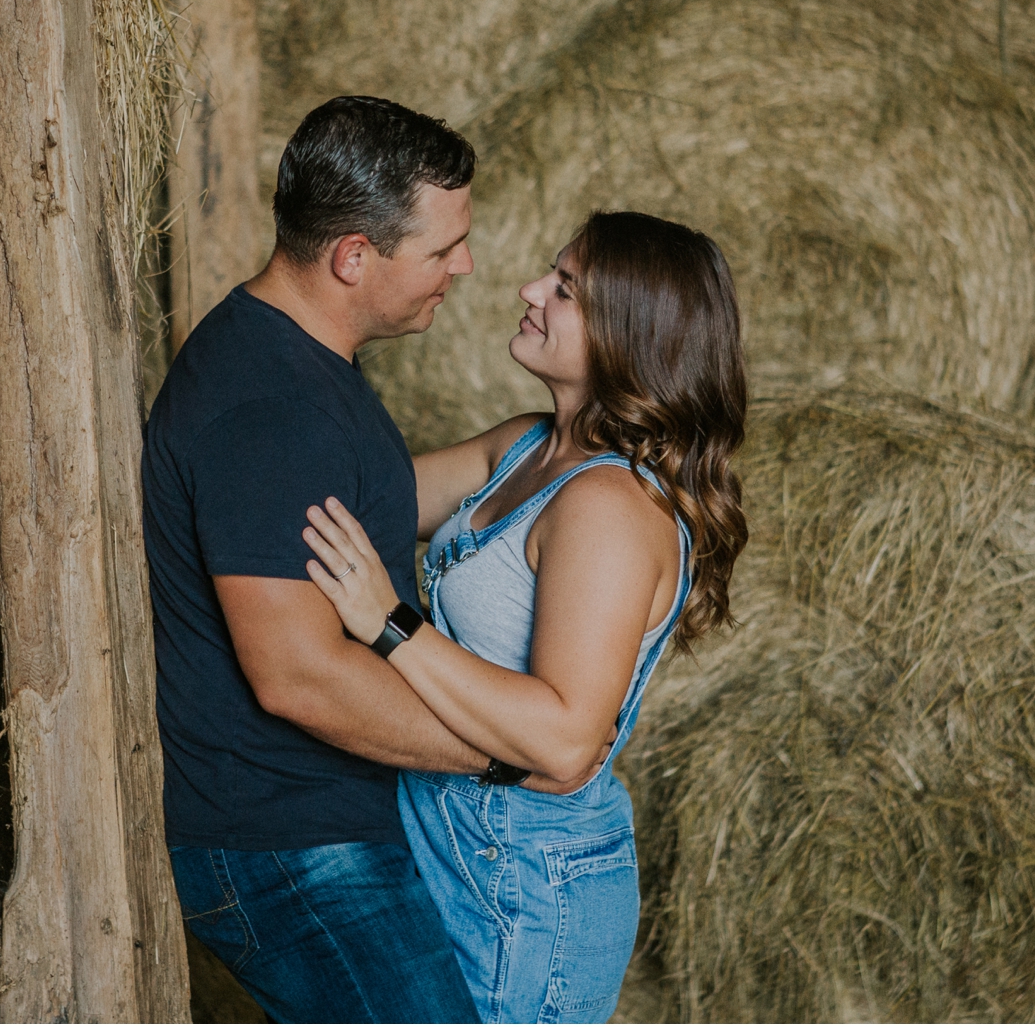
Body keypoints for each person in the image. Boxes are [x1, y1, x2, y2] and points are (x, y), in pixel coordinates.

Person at [144, 95, 588, 1024]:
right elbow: (300, 677)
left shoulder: (303, 364)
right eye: (441, 249)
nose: (465, 266)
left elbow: (438, 493)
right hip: (284, 844)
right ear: (354, 256)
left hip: (321, 825)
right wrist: (505, 760)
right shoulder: (274, 412)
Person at [299, 209, 749, 1024]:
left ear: (628, 333)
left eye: (565, 288)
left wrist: (390, 623)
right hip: (452, 844)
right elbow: (367, 498)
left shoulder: (609, 507)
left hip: (524, 885)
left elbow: (567, 738)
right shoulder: (527, 448)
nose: (529, 290)